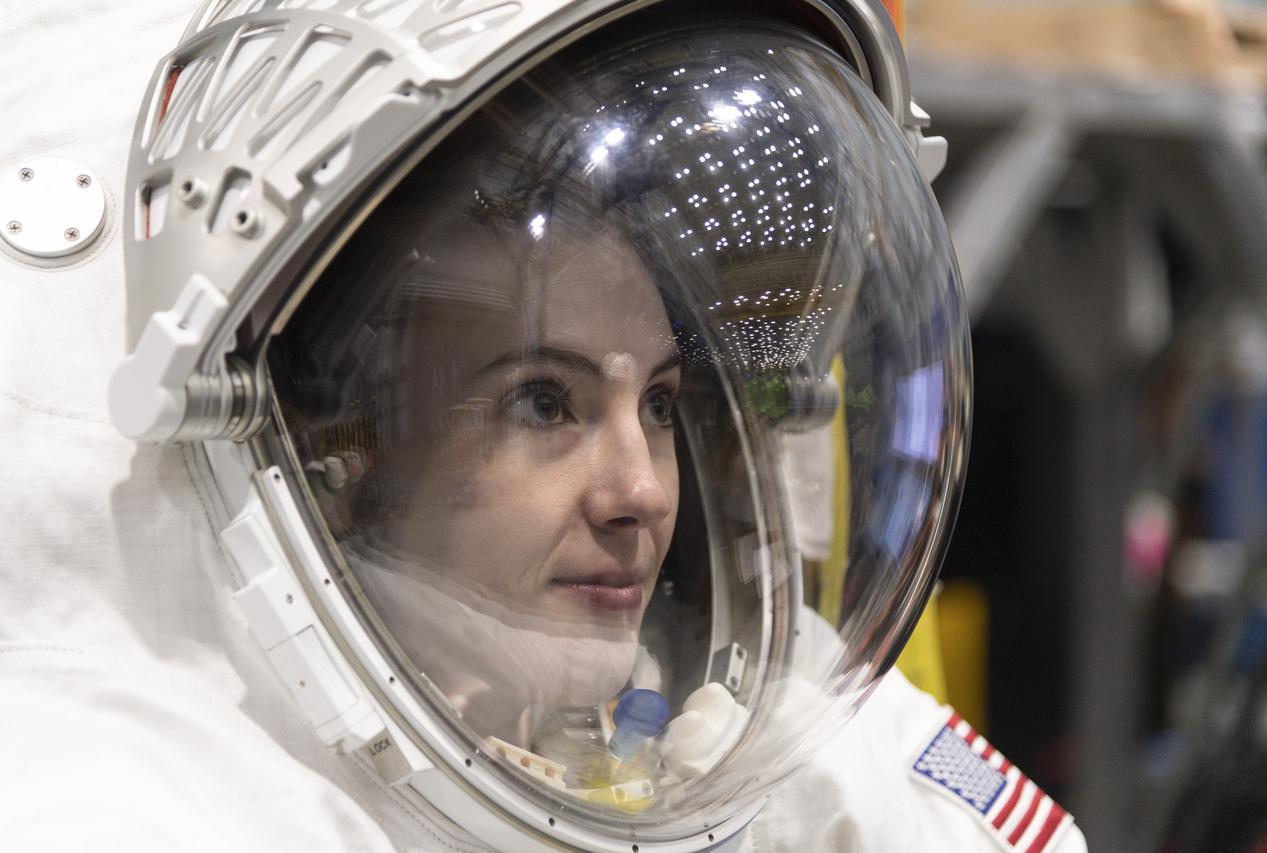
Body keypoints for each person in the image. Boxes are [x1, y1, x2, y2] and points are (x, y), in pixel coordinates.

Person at [0, 0, 1086, 850]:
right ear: (337, 446)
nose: (642, 490)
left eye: (657, 405)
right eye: (543, 402)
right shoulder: (140, 788)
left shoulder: (732, 696)